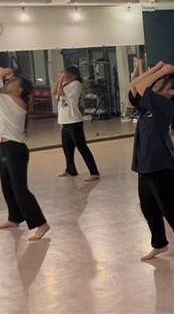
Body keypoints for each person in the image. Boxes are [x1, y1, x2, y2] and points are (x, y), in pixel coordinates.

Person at [129, 61, 174, 281]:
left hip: (162, 169)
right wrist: (156, 70)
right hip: (145, 167)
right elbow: (135, 85)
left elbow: (141, 86)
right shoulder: (148, 104)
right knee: (149, 211)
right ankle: (159, 243)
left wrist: (162, 71)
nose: (156, 83)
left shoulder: (164, 105)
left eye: (163, 83)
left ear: (171, 92)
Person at [0, 67, 51, 241]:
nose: (8, 82)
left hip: (15, 150)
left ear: (19, 89)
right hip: (5, 149)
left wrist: (4, 71)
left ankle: (41, 224)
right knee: (7, 186)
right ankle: (14, 218)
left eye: (12, 81)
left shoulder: (16, 100)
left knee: (20, 189)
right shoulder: (6, 98)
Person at [53, 66, 100, 181]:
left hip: (74, 120)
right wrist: (58, 79)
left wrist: (61, 79)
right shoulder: (65, 85)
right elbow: (54, 92)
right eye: (65, 74)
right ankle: (70, 169)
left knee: (81, 147)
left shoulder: (76, 84)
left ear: (74, 75)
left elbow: (59, 92)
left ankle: (94, 172)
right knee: (67, 148)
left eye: (68, 75)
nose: (66, 77)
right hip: (64, 121)